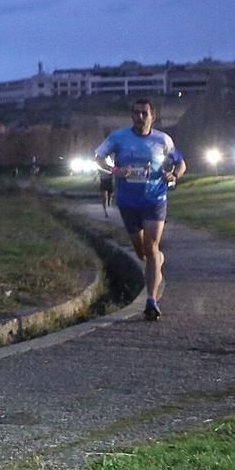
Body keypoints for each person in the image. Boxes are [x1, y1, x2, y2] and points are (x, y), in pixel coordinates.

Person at [93, 98, 186, 320]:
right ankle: (157, 260)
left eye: (144, 113)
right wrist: (115, 170)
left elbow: (180, 163)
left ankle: (151, 301)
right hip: (128, 201)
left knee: (151, 246)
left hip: (155, 199)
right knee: (141, 252)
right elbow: (98, 158)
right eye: (136, 113)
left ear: (153, 116)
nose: (140, 117)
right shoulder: (118, 137)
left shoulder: (163, 140)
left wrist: (173, 175)